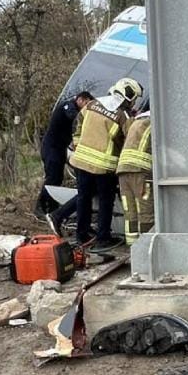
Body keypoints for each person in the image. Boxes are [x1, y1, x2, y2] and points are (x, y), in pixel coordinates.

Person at [68, 78, 142, 249]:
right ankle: (103, 238)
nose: (133, 103)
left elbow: (77, 125)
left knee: (83, 199)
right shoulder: (122, 116)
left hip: (81, 162)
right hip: (104, 167)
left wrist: (78, 145)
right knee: (105, 202)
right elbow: (129, 140)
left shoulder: (92, 104)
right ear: (128, 97)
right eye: (134, 99)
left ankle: (81, 235)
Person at [38, 91, 93, 224]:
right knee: (52, 177)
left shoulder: (74, 109)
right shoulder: (67, 106)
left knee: (58, 178)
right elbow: (72, 116)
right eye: (86, 103)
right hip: (51, 148)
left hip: (60, 149)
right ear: (80, 99)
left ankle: (52, 207)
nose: (86, 107)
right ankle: (40, 206)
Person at [116, 109, 153, 245]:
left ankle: (132, 245)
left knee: (130, 211)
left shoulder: (136, 122)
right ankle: (146, 246)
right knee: (146, 211)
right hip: (140, 171)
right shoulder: (155, 122)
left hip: (123, 170)